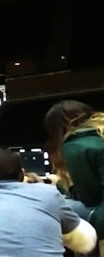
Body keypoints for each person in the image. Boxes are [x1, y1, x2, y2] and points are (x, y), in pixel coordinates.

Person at [44, 100, 104, 238]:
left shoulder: (75, 145)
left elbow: (90, 198)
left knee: (48, 205)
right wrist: (60, 184)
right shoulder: (98, 134)